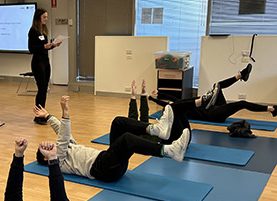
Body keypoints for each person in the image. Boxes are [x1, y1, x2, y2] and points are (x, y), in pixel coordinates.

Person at [33, 96, 190, 183]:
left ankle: (156, 130)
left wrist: (48, 117)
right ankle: (169, 151)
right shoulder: (58, 162)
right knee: (126, 139)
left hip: (108, 162)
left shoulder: (68, 149)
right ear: (47, 158)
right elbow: (62, 138)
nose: (49, 144)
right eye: (46, 149)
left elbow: (62, 133)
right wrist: (64, 112)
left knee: (118, 123)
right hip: (103, 170)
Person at [148, 64, 277, 123]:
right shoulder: (176, 109)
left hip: (213, 107)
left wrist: (159, 93)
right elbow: (168, 103)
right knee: (240, 102)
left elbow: (173, 98)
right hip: (213, 114)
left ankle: (241, 76)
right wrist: (152, 99)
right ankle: (270, 109)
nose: (170, 103)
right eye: (168, 105)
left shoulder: (177, 104)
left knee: (218, 86)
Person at [28, 8, 62, 125]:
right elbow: (31, 49)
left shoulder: (44, 30)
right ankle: (38, 116)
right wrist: (44, 47)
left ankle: (42, 113)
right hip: (37, 62)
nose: (46, 19)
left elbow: (45, 46)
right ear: (38, 18)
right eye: (44, 17)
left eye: (46, 17)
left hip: (45, 61)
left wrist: (54, 45)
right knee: (41, 89)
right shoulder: (33, 31)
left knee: (44, 89)